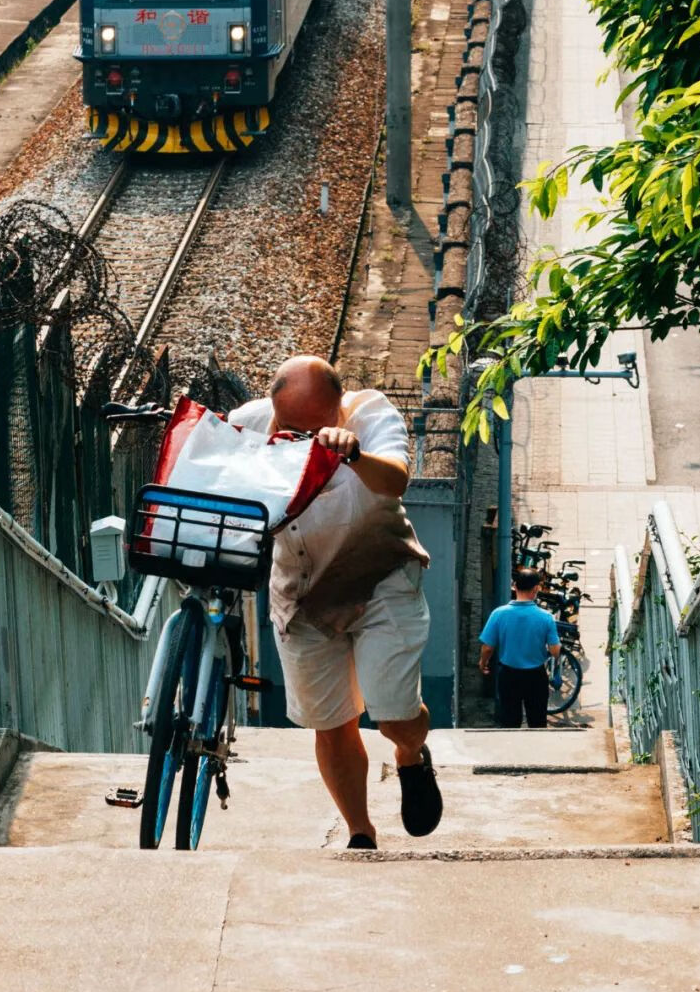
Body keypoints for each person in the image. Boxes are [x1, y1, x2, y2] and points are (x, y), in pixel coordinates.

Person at [229, 355, 442, 850]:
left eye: (316, 429)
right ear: (273, 408)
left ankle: (411, 754)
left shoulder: (371, 413)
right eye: (290, 429)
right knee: (331, 721)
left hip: (378, 577)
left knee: (392, 713)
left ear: (338, 410)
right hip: (302, 590)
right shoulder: (249, 424)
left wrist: (354, 455)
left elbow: (396, 479)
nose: (301, 440)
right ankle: (360, 834)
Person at [478, 568, 562, 728]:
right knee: (537, 722)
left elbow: (487, 647)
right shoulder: (546, 617)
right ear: (536, 589)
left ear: (515, 586)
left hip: (509, 675)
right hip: (536, 676)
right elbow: (555, 651)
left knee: (509, 723)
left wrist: (483, 663)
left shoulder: (498, 614)